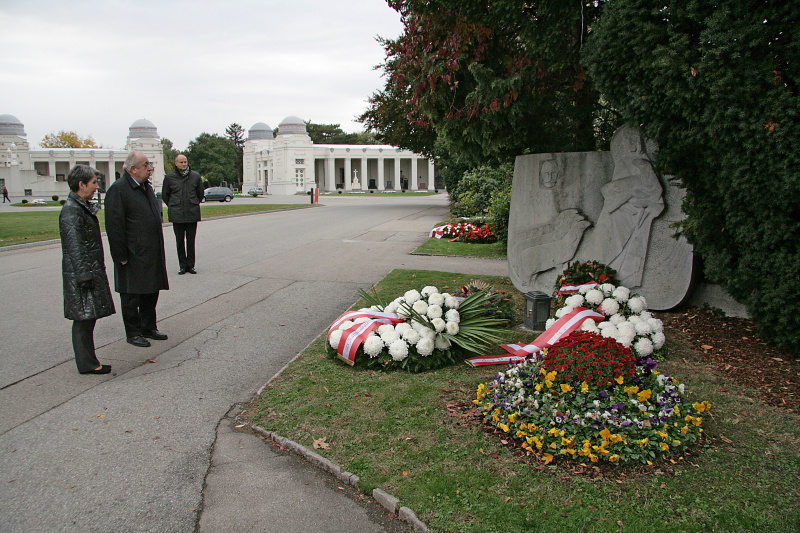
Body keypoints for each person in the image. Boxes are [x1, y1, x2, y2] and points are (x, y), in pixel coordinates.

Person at [104, 152, 169, 348]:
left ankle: (148, 327)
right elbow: (114, 226)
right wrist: (120, 255)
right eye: (145, 165)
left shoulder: (145, 187)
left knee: (151, 291)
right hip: (131, 255)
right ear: (133, 169)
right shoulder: (119, 190)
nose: (150, 168)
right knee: (131, 295)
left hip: (150, 252)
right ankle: (133, 332)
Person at [59, 165, 116, 374]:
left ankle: (89, 361)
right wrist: (84, 276)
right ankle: (88, 364)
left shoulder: (79, 207)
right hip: (82, 274)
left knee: (87, 318)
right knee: (83, 319)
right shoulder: (71, 210)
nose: (96, 187)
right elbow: (74, 246)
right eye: (93, 183)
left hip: (87, 271)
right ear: (81, 185)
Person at [162, 154, 204, 274]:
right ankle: (182, 266)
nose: (184, 164)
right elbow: (166, 195)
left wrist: (194, 203)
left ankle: (191, 265)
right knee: (179, 242)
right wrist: (174, 205)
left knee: (190, 241)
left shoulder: (195, 176)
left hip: (192, 213)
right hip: (177, 214)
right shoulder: (170, 178)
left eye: (185, 162)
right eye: (181, 162)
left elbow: (200, 193)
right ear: (176, 163)